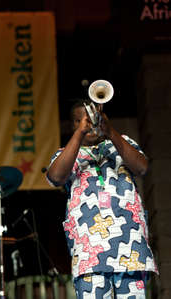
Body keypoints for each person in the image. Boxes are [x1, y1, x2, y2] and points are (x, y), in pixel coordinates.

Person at [46, 99, 158, 298]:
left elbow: (142, 167)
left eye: (91, 119)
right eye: (79, 121)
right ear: (73, 125)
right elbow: (55, 176)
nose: (87, 124)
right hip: (89, 252)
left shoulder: (121, 142)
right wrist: (79, 134)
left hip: (130, 246)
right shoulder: (67, 153)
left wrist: (110, 131)